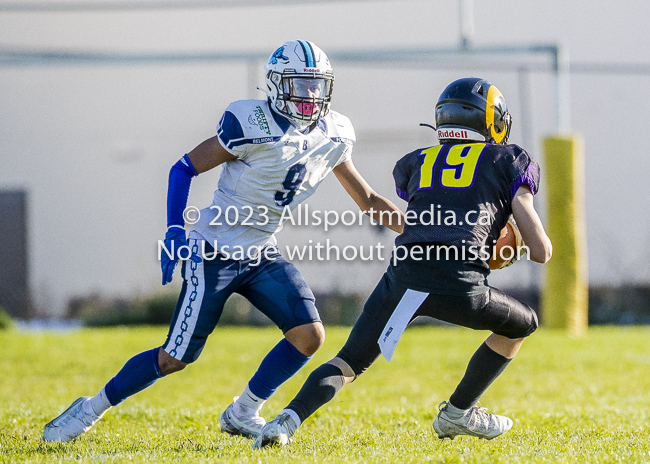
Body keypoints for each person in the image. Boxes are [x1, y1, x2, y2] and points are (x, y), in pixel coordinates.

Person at [42, 39, 404, 443]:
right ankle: (89, 409)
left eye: (317, 86)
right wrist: (175, 230)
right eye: (300, 85)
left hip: (261, 252)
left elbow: (369, 199)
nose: (310, 96)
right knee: (174, 358)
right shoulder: (252, 123)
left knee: (309, 335)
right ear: (275, 84)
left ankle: (243, 411)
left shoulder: (334, 133)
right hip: (213, 251)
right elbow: (183, 168)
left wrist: (417, 230)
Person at [253, 77, 553, 449]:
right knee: (522, 325)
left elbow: (432, 211)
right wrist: (517, 236)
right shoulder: (509, 159)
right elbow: (541, 251)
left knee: (349, 361)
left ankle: (285, 421)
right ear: (491, 121)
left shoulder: (417, 161)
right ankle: (458, 413)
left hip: (405, 272)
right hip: (460, 280)